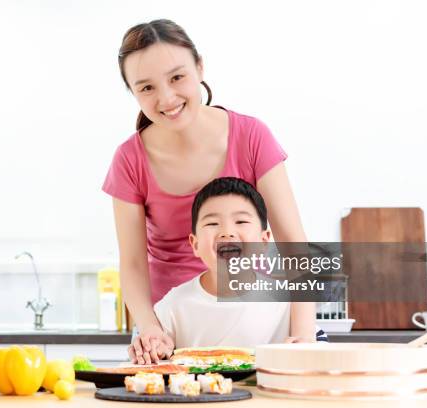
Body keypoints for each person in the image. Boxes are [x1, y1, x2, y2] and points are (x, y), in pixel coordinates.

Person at [103, 19, 315, 364]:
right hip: (170, 327)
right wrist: (150, 328)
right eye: (146, 88)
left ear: (200, 67)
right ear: (133, 93)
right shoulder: (129, 159)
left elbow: (294, 244)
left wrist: (304, 335)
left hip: (250, 318)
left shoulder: (252, 136)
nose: (167, 98)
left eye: (177, 77)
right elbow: (132, 264)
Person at [143, 177, 328, 352]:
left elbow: (316, 346)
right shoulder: (173, 305)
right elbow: (153, 357)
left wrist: (307, 346)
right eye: (212, 223)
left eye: (241, 221)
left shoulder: (287, 303)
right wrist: (151, 351)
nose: (227, 232)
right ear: (195, 244)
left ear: (264, 242)